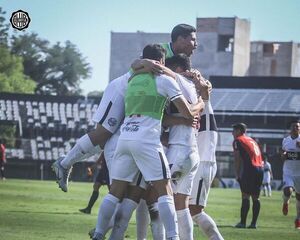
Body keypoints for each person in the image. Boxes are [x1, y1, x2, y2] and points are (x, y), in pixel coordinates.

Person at [92, 44, 203, 240]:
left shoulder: (131, 80)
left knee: (115, 192)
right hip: (147, 140)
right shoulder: (164, 81)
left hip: (125, 138)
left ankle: (99, 234)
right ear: (161, 62)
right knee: (165, 190)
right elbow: (187, 112)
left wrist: (139, 64)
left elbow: (134, 67)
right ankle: (172, 237)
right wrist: (201, 103)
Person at [188, 77, 224, 239]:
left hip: (204, 162)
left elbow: (204, 91)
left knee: (194, 211)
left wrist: (202, 88)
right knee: (185, 209)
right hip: (199, 162)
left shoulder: (205, 109)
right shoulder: (199, 109)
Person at [232, 123, 263, 229]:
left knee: (245, 195)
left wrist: (237, 174)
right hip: (260, 168)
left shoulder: (238, 140)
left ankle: (242, 223)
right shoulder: (251, 140)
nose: (232, 133)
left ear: (239, 130)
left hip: (250, 169)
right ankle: (253, 224)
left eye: (234, 130)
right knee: (256, 197)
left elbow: (237, 158)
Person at [281, 120, 300, 229]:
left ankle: (298, 219)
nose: (295, 128)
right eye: (294, 127)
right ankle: (285, 202)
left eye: (297, 127)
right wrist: (283, 155)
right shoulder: (285, 140)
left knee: (299, 197)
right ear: (290, 128)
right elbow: (283, 152)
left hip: (299, 173)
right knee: (288, 190)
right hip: (288, 171)